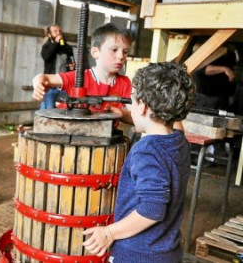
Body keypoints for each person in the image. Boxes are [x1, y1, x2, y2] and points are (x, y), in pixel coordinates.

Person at [82, 62, 196, 262]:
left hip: (138, 254)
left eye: (131, 101)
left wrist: (109, 233)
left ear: (142, 106)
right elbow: (175, 123)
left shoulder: (147, 151)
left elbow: (152, 209)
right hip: (167, 252)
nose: (129, 107)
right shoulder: (179, 142)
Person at [33, 23, 133, 124]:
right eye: (114, 50)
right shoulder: (79, 77)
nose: (121, 56)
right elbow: (42, 77)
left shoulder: (125, 83)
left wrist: (122, 114)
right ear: (95, 52)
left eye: (125, 52)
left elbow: (135, 117)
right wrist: (38, 84)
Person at [39, 23, 75, 109]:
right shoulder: (46, 47)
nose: (58, 33)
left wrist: (72, 65)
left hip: (64, 86)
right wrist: (55, 42)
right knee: (50, 108)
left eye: (59, 31)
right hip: (51, 86)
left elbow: (71, 59)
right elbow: (47, 57)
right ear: (49, 34)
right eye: (55, 31)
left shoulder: (67, 47)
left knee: (65, 108)